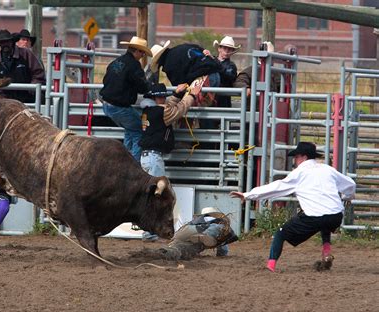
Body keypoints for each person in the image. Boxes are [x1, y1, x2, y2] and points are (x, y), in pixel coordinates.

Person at [229, 142, 356, 272]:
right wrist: (348, 197)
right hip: (335, 216)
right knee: (325, 224)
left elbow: (277, 187)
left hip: (315, 216)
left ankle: (270, 266)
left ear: (303, 157)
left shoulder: (299, 173)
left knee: (280, 234)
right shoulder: (328, 169)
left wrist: (248, 195)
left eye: (296, 157)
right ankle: (326, 252)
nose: (295, 160)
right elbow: (351, 184)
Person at [138, 81, 202, 241]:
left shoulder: (148, 110)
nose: (163, 100)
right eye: (162, 97)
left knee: (152, 194)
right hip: (154, 158)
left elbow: (168, 108)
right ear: (158, 98)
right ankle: (150, 231)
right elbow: (178, 110)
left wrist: (176, 95)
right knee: (158, 195)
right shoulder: (162, 111)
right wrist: (192, 95)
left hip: (146, 157)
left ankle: (148, 230)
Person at [99, 36, 152, 161]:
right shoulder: (134, 65)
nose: (143, 55)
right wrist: (149, 87)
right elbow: (142, 87)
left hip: (107, 104)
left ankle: (124, 160)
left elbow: (106, 80)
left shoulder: (116, 62)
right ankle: (132, 166)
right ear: (137, 51)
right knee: (139, 132)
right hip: (119, 107)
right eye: (142, 52)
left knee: (130, 129)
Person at [146, 208, 238, 260]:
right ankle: (206, 235)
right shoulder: (217, 222)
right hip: (201, 232)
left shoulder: (196, 220)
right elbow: (222, 246)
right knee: (219, 230)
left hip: (185, 231)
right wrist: (222, 253)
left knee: (178, 247)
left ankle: (163, 252)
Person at [0, 29, 45, 103]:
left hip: (28, 98)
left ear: (12, 42)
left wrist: (32, 88)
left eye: (7, 41)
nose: (5, 44)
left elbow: (38, 73)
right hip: (7, 101)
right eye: (2, 42)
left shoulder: (26, 54)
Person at [149, 41, 220, 87]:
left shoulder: (169, 65)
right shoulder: (181, 47)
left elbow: (179, 86)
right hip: (216, 72)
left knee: (199, 108)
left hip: (203, 79)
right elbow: (198, 48)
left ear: (158, 61)